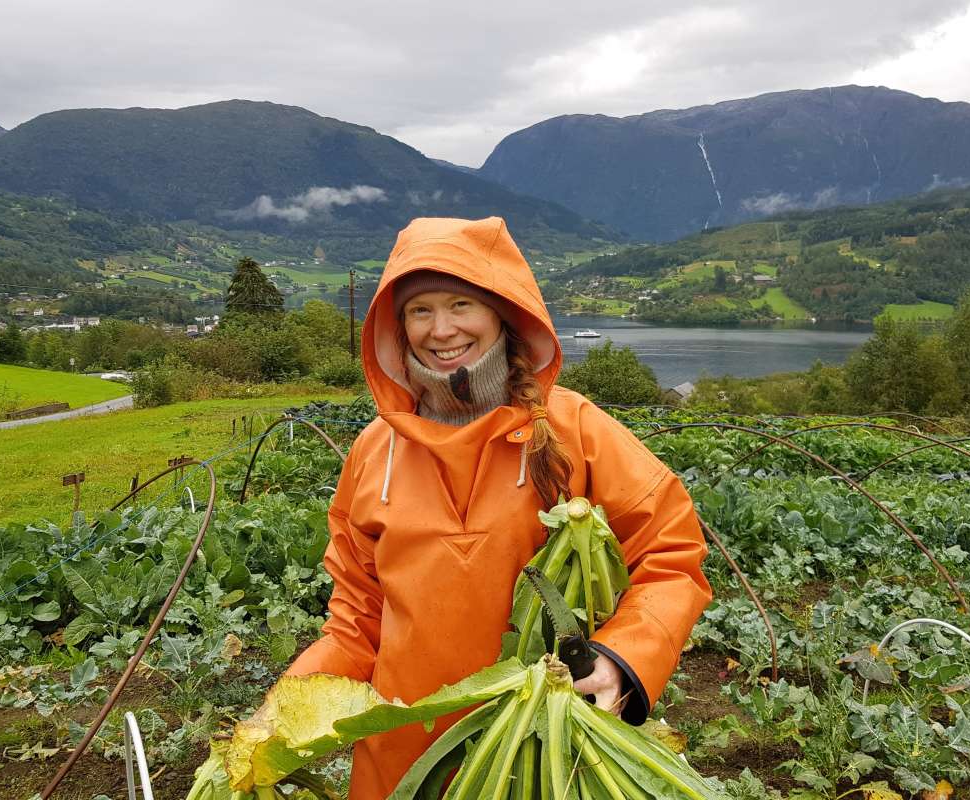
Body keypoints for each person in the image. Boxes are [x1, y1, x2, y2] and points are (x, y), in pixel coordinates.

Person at [285, 216, 711, 798]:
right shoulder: (373, 452)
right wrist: (281, 715)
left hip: (540, 752)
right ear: (396, 324)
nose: (442, 329)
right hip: (404, 754)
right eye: (419, 310)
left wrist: (621, 657)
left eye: (461, 303)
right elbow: (357, 618)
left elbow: (671, 555)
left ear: (501, 313)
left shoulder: (574, 429)